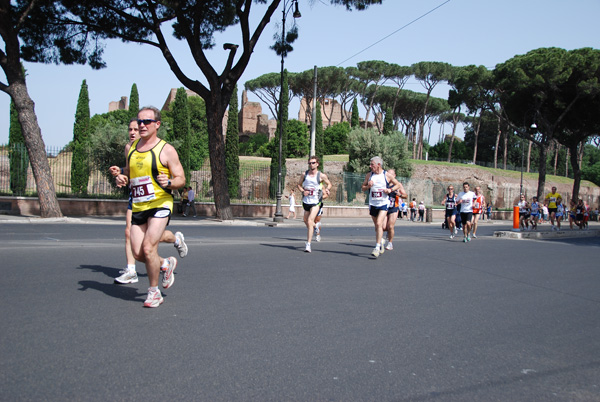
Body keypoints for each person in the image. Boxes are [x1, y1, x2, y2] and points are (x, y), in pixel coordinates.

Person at [114, 106, 186, 308]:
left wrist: (170, 182)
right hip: (139, 205)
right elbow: (128, 172)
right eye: (139, 121)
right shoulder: (132, 148)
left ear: (157, 125)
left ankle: (154, 293)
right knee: (138, 254)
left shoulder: (166, 150)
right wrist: (121, 177)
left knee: (148, 247)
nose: (141, 125)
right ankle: (165, 263)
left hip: (160, 204)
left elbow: (181, 178)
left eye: (146, 121)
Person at [361, 156, 403, 258]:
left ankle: (377, 247)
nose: (370, 166)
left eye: (372, 165)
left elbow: (398, 184)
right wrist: (368, 186)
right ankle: (381, 241)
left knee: (380, 223)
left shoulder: (386, 175)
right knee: (377, 226)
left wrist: (390, 190)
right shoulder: (369, 175)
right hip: (373, 203)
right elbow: (363, 188)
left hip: (384, 203)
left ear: (378, 165)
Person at [297, 156, 331, 253]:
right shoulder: (304, 174)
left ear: (317, 164)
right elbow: (299, 185)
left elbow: (329, 184)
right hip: (306, 201)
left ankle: (308, 245)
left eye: (313, 163)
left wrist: (328, 189)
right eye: (310, 163)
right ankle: (316, 227)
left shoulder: (321, 176)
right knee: (306, 221)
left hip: (316, 201)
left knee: (310, 220)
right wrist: (303, 191)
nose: (311, 164)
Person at [381, 169, 407, 251]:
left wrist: (400, 195)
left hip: (394, 207)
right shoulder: (384, 183)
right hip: (385, 207)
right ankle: (387, 234)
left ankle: (390, 243)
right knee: (384, 227)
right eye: (388, 174)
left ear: (394, 176)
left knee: (390, 226)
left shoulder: (398, 185)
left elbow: (405, 195)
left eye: (391, 174)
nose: (389, 176)